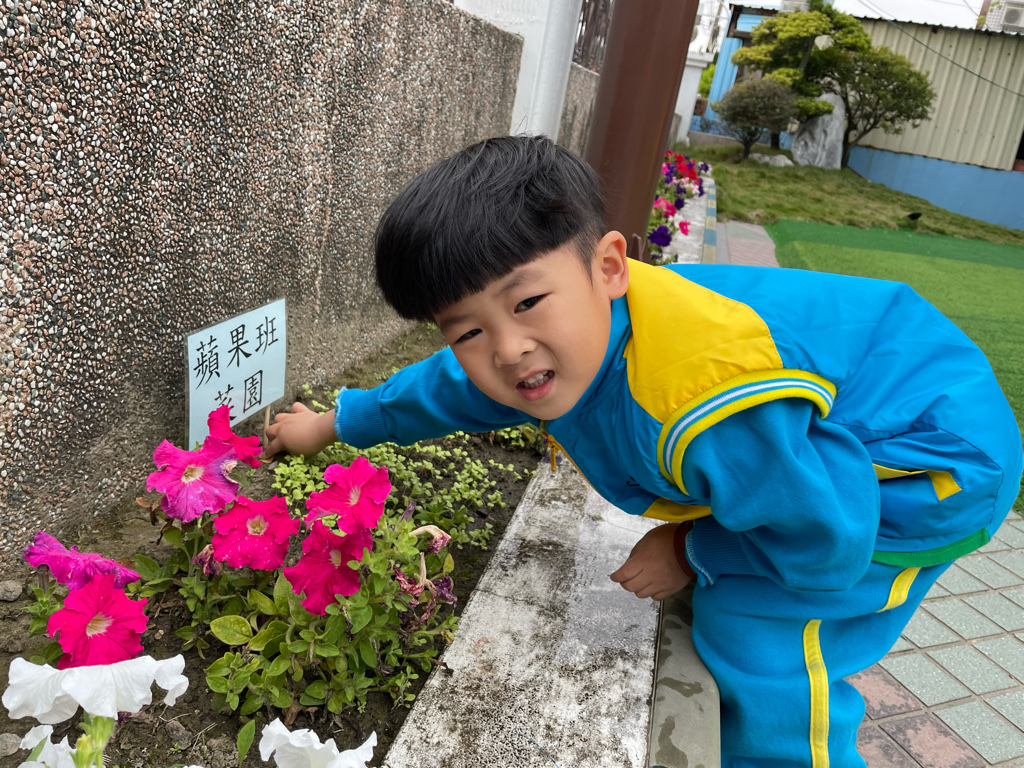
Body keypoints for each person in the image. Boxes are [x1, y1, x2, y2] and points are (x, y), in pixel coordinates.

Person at [263, 135, 1023, 767]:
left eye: (527, 302)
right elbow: (446, 387)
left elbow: (829, 536)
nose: (508, 348)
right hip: (842, 421)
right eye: (468, 329)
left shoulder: (698, 404)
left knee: (758, 635)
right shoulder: (558, 345)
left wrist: (693, 551)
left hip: (923, 466)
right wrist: (330, 424)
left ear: (609, 267)